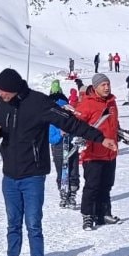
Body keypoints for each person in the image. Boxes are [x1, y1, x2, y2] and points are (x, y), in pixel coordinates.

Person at [0, 68, 116, 256]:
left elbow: (71, 123)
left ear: (14, 89)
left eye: (3, 90)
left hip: (33, 175)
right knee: (13, 224)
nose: (0, 94)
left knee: (33, 225)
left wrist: (100, 138)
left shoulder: (39, 102)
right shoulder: (2, 103)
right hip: (9, 174)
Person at [74, 74, 122, 230]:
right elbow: (76, 126)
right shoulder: (87, 104)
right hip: (93, 153)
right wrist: (79, 137)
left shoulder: (112, 103)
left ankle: (103, 213)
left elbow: (114, 124)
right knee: (92, 186)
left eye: (108, 84)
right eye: (103, 85)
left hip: (110, 152)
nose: (107, 87)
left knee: (107, 184)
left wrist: (122, 134)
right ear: (95, 88)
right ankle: (88, 215)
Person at [48, 81, 80, 209]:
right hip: (67, 143)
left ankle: (65, 195)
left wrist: (57, 136)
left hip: (60, 145)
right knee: (72, 169)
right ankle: (71, 195)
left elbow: (50, 135)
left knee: (62, 170)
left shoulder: (50, 111)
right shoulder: (69, 109)